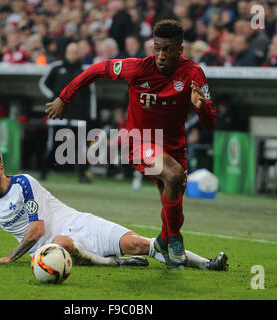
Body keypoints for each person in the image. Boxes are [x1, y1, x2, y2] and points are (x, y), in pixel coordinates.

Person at [44, 20, 217, 270]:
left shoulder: (193, 74)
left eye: (167, 49)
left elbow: (211, 123)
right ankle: (175, 241)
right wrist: (64, 97)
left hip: (174, 147)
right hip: (139, 142)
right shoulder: (136, 68)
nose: (160, 55)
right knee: (174, 175)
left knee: (173, 202)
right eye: (157, 48)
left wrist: (201, 110)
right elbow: (95, 71)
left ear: (180, 49)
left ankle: (164, 242)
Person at [0, 146, 228, 272]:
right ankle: (114, 262)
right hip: (47, 248)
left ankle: (207, 264)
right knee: (61, 243)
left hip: (79, 222)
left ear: (1, 168)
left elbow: (35, 227)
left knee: (141, 243)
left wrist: (7, 258)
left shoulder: (23, 183)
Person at [40, 42, 94, 183]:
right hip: (58, 115)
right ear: (66, 53)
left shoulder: (84, 71)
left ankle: (82, 175)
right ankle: (43, 172)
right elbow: (43, 84)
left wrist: (91, 115)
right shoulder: (56, 68)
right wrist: (53, 98)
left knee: (81, 146)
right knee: (52, 145)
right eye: (70, 51)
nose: (73, 54)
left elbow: (90, 95)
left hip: (78, 116)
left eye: (76, 52)